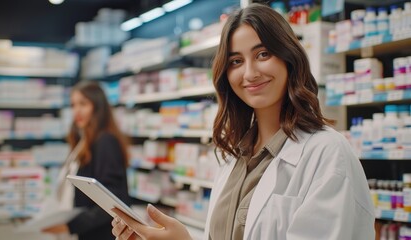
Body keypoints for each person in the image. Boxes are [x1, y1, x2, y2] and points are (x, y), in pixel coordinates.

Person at [111, 3, 375, 240]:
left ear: (289, 58)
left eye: (263, 55)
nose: (250, 73)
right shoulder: (233, 156)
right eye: (236, 61)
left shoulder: (327, 153)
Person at [43, 81, 133, 240]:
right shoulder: (84, 141)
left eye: (83, 104)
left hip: (103, 234)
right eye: (73, 105)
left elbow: (112, 200)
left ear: (98, 107)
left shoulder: (105, 141)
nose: (77, 111)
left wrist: (69, 226)